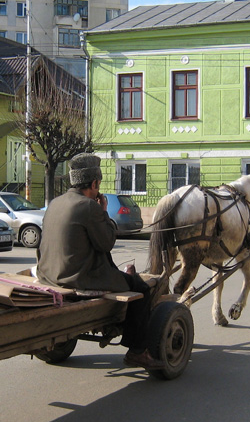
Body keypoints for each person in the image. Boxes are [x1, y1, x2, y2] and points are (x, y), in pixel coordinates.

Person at [36, 153, 163, 370]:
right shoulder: (89, 207)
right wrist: (104, 213)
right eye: (99, 184)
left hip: (47, 274)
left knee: (128, 279)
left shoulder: (55, 203)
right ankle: (137, 352)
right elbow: (106, 243)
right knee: (141, 288)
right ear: (94, 184)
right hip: (77, 278)